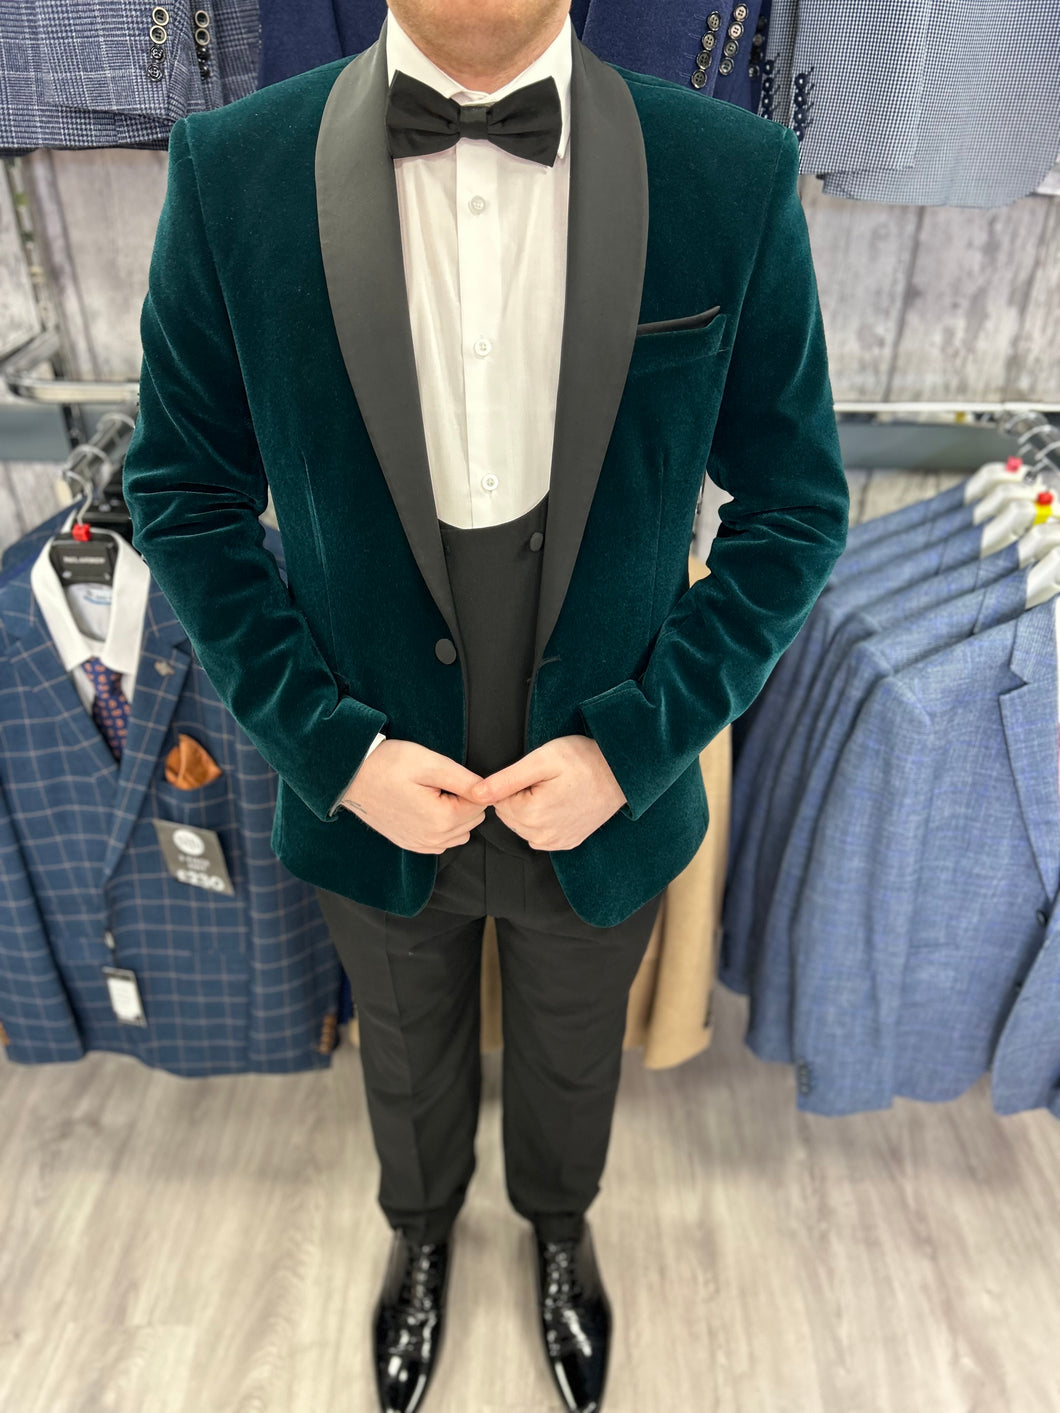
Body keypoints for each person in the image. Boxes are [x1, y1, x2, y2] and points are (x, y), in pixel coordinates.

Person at [122, 3, 849, 1410]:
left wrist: (637, 744)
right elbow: (184, 496)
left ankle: (560, 1228)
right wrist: (333, 751)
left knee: (579, 1048)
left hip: (605, 784)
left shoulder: (730, 172)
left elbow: (796, 510)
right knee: (403, 1052)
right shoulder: (231, 169)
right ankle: (420, 1232)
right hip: (370, 780)